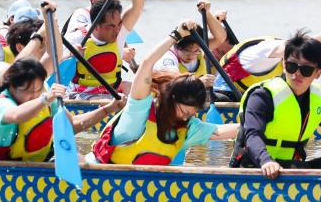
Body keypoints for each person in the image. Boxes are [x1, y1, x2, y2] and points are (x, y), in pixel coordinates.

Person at [91, 21, 238, 166]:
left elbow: (219, 131)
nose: (185, 118)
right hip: (98, 173)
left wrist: (249, 122)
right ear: (171, 98)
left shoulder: (187, 127)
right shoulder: (139, 108)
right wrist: (175, 35)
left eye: (190, 114)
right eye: (184, 112)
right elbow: (147, 64)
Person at [229, 32, 321, 177]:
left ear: (318, 73)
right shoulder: (263, 96)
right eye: (291, 66)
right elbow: (252, 135)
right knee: (298, 167)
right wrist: (266, 161)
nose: (297, 73)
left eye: (306, 70)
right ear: (284, 65)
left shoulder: (318, 99)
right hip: (256, 166)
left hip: (288, 167)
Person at [0, 57, 120, 161]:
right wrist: (45, 98)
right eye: (29, 91)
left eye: (38, 90)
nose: (35, 95)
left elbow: (72, 125)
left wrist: (107, 109)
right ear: (12, 86)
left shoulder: (44, 96)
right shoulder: (2, 103)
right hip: (6, 170)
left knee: (77, 158)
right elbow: (15, 115)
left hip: (41, 164)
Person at [212, 23, 321, 101]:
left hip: (251, 94)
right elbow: (303, 46)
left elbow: (305, 46)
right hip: (225, 93)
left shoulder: (280, 52)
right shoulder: (261, 52)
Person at [65, 0, 145, 94]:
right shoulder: (80, 27)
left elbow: (137, 7)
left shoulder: (118, 26)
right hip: (81, 92)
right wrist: (70, 55)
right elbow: (56, 62)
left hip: (111, 88)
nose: (117, 30)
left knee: (143, 90)